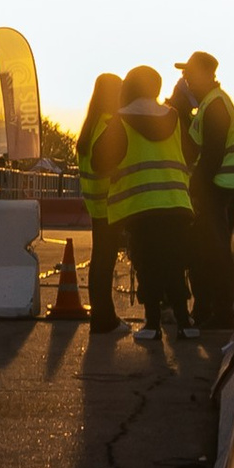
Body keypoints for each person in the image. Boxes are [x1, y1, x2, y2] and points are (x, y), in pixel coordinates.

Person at [93, 66, 195, 343]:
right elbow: (191, 152)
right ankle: (185, 322)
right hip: (176, 203)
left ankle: (152, 323)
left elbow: (98, 160)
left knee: (149, 264)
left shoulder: (121, 121)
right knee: (174, 263)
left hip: (141, 207)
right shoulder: (173, 117)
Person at [171, 50, 234, 327]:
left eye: (189, 73)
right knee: (202, 253)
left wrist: (196, 190)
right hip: (213, 190)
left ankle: (220, 314)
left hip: (215, 190)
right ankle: (204, 310)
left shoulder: (215, 106)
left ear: (204, 74)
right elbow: (192, 149)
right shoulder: (207, 105)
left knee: (214, 254)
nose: (185, 78)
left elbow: (211, 156)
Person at [77, 71, 126, 334]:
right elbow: (102, 163)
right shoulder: (110, 123)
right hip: (110, 203)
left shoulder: (91, 124)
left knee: (100, 262)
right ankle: (105, 320)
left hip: (96, 203)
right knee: (105, 264)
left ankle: (101, 317)